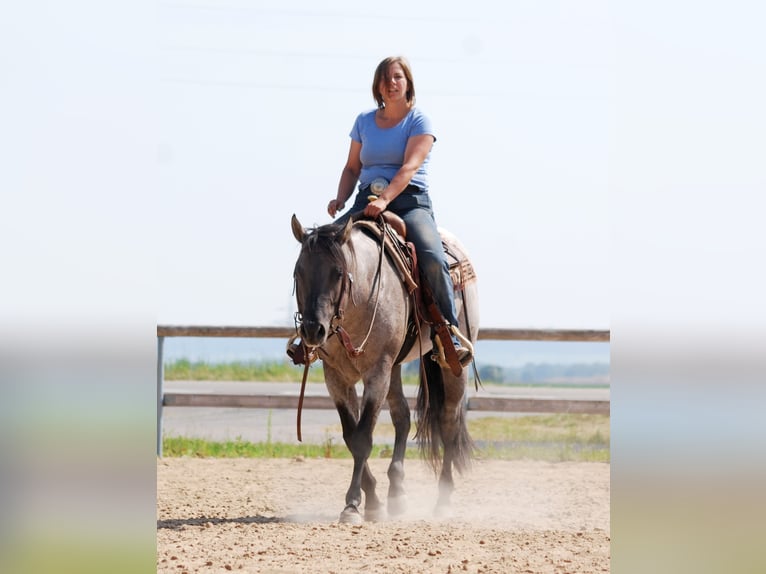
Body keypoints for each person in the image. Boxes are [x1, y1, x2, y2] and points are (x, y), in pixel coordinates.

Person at [327, 56, 472, 367]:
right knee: (322, 246)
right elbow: (352, 167)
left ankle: (448, 332)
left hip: (409, 201)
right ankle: (314, 330)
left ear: (408, 83)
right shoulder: (364, 121)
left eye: (397, 77)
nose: (390, 83)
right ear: (377, 86)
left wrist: (386, 200)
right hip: (366, 200)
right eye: (384, 78)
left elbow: (409, 167)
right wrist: (340, 198)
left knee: (431, 255)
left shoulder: (420, 121)